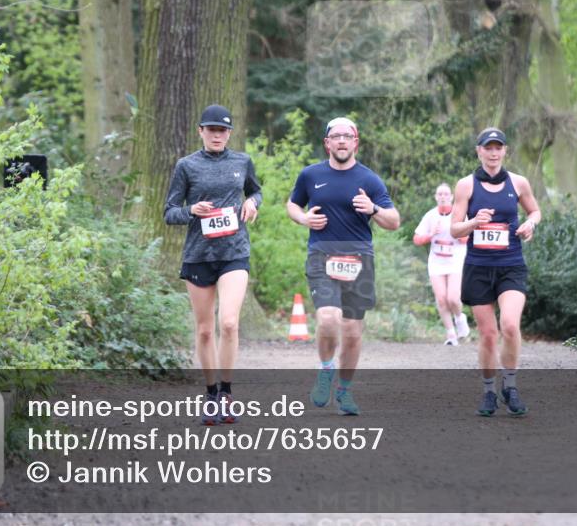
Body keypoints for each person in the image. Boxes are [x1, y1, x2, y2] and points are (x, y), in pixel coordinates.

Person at [286, 117, 400, 415]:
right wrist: (303, 219)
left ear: (355, 142)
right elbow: (292, 204)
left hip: (359, 257)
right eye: (335, 136)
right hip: (321, 254)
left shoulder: (369, 180)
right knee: (327, 320)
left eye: (346, 136)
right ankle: (326, 370)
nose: (341, 141)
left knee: (351, 330)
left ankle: (345, 391)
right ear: (326, 143)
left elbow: (394, 221)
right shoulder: (310, 175)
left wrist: (373, 209)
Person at [164, 105, 262, 425]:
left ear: (229, 133)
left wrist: (251, 202)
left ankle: (226, 393)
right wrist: (193, 210)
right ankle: (209, 395)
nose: (217, 135)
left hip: (234, 252)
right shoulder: (186, 166)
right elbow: (169, 212)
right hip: (198, 255)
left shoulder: (242, 162)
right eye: (211, 130)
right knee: (206, 330)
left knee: (229, 323)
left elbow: (256, 192)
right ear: (200, 131)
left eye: (222, 130)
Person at [451, 128, 541, 417]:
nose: (493, 153)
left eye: (497, 148)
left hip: (511, 265)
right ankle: (489, 390)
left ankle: (510, 387)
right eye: (487, 148)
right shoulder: (466, 186)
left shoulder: (519, 182)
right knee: (489, 334)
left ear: (505, 151)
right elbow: (454, 229)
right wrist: (474, 222)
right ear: (478, 151)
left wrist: (530, 225)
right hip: (478, 268)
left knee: (511, 326)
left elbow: (535, 211)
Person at [414, 183, 470, 345]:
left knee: (453, 298)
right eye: (440, 194)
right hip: (437, 263)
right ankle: (451, 335)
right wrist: (431, 234)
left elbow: (467, 239)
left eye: (446, 194)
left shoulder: (459, 215)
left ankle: (460, 319)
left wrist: (455, 231)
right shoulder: (430, 216)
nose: (443, 197)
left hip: (455, 260)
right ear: (436, 197)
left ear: (452, 197)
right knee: (441, 299)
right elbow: (417, 239)